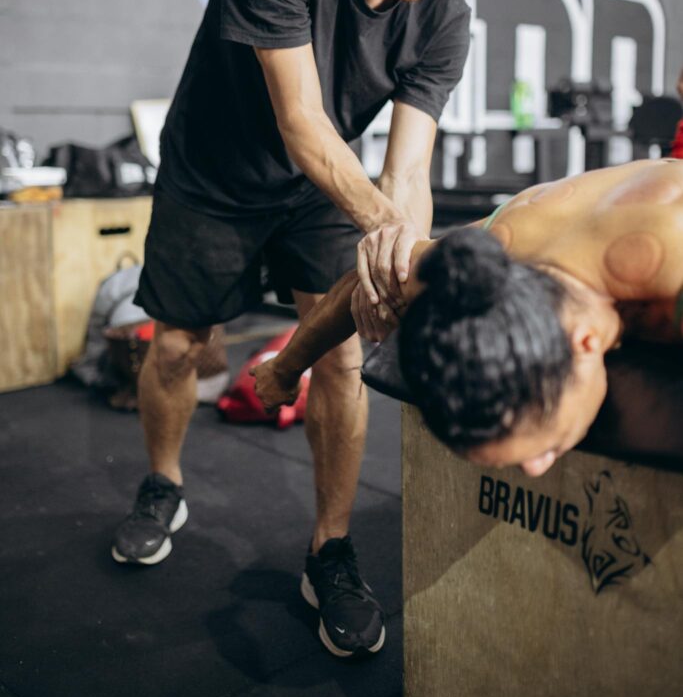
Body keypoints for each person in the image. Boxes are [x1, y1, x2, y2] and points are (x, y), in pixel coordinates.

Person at [112, 0, 543, 659]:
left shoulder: (443, 15)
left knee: (342, 358)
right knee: (173, 344)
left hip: (322, 188)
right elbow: (302, 124)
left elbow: (408, 170)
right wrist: (389, 232)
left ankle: (329, 548)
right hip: (217, 169)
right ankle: (162, 483)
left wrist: (393, 261)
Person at [252, 159, 683, 479]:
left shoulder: (668, 278)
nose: (535, 470)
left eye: (547, 446)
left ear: (586, 342)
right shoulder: (491, 255)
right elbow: (362, 284)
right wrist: (284, 369)